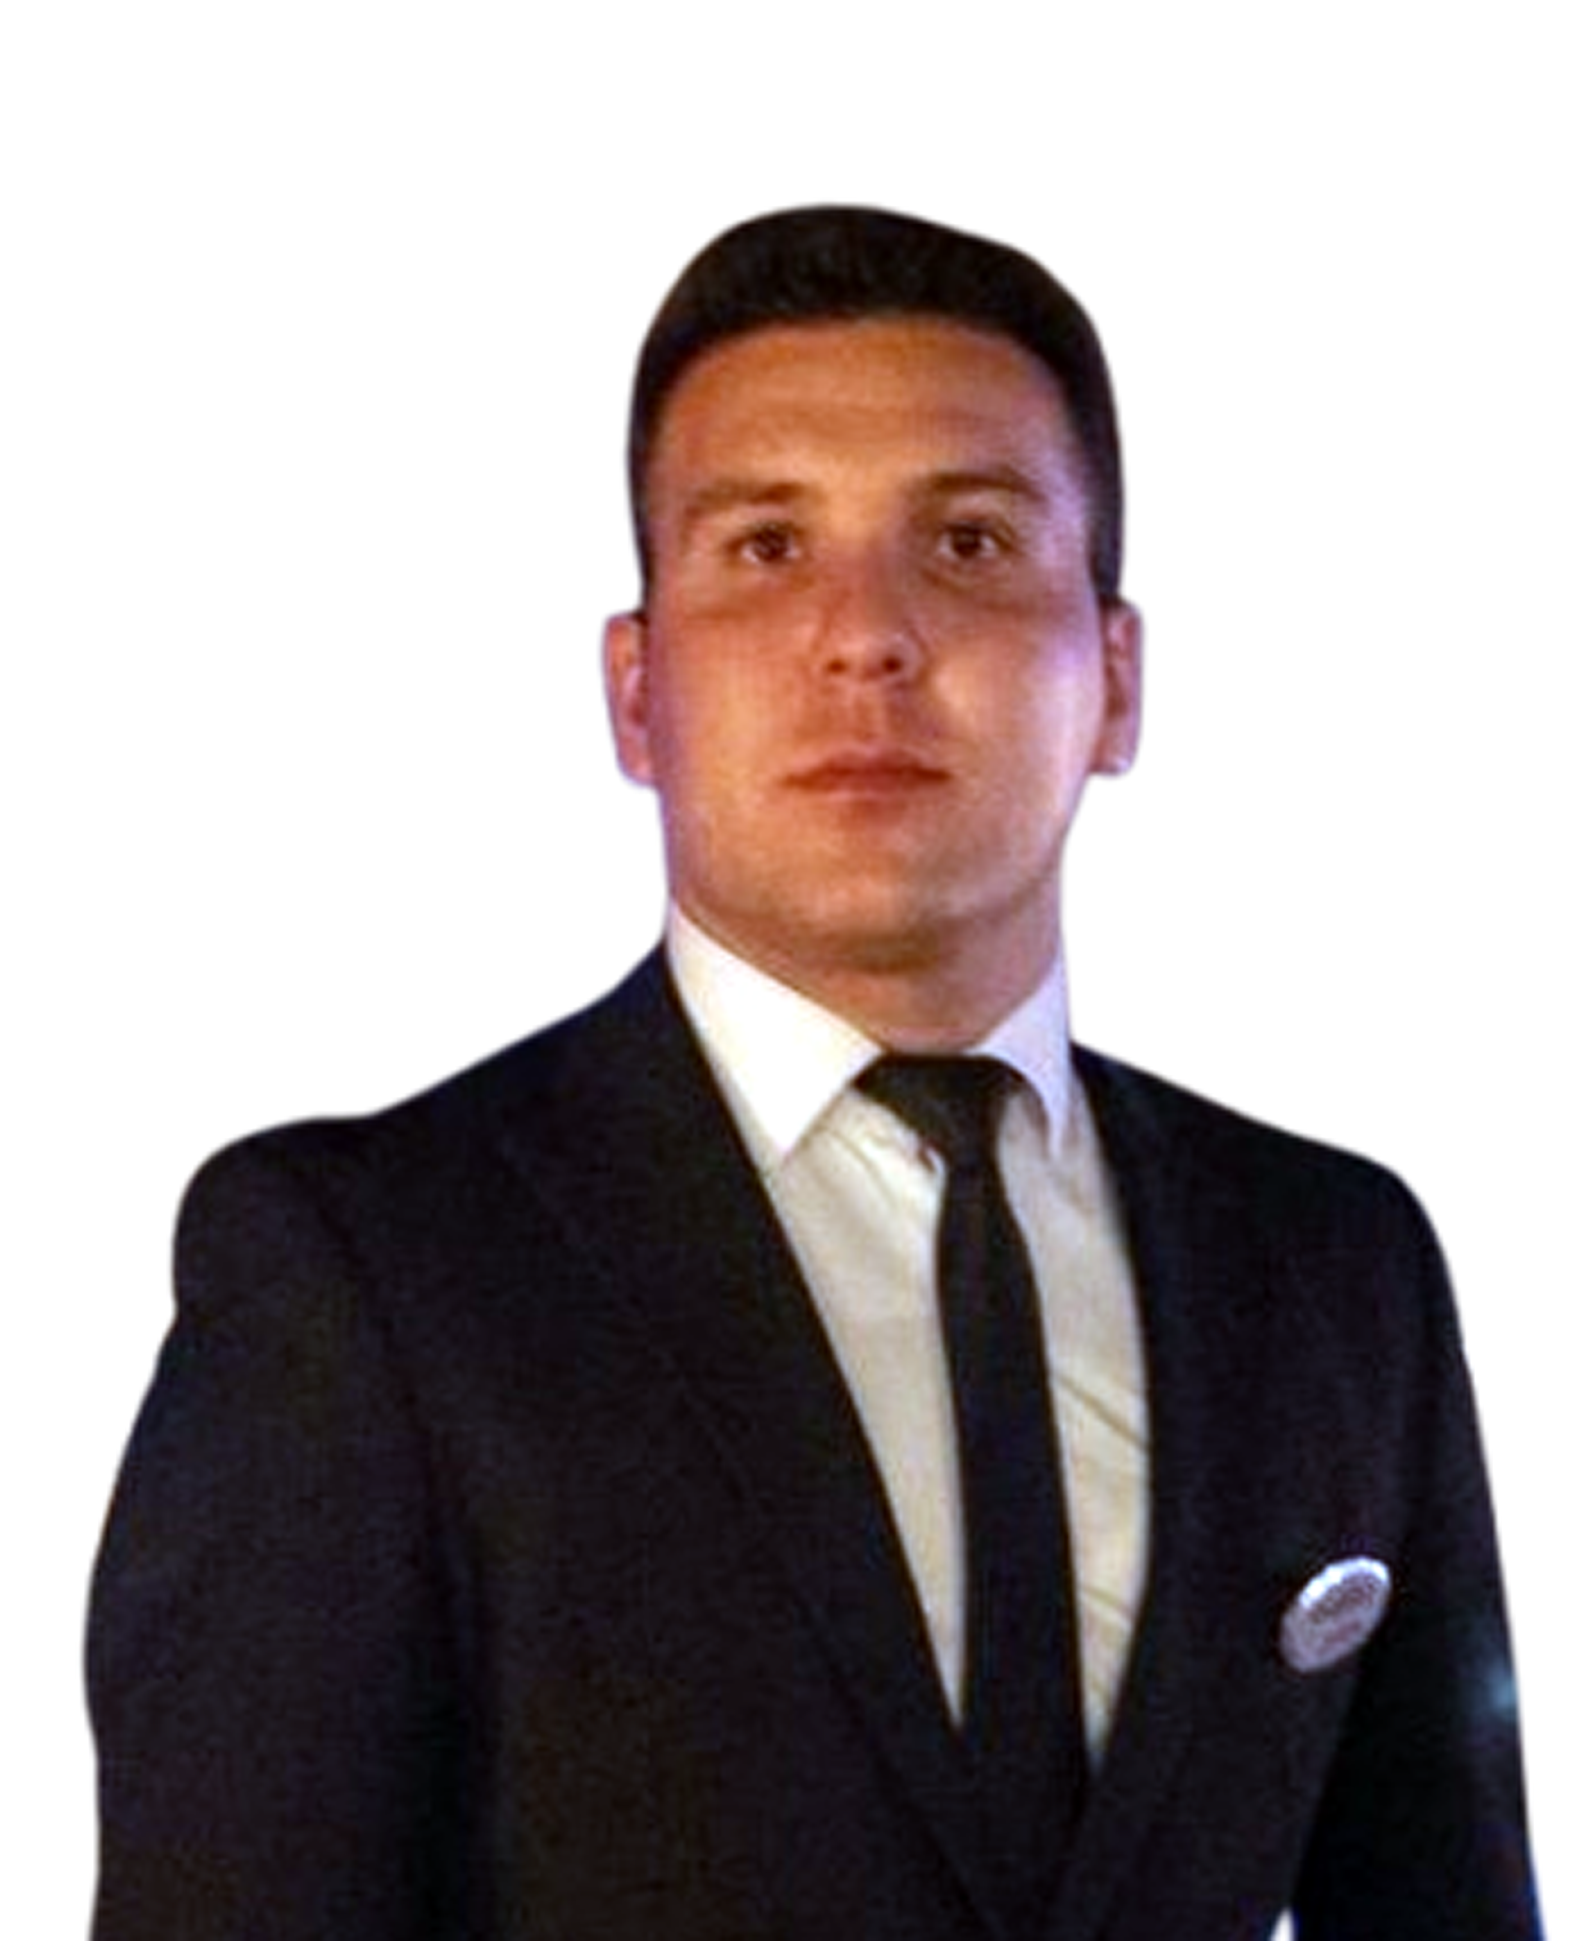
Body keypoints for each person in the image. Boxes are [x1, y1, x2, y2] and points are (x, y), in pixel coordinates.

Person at [87, 206, 1541, 1940]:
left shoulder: (1334, 1266)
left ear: (1117, 679)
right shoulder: (365, 1276)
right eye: (767, 547)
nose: (868, 635)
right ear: (637, 694)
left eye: (972, 542)